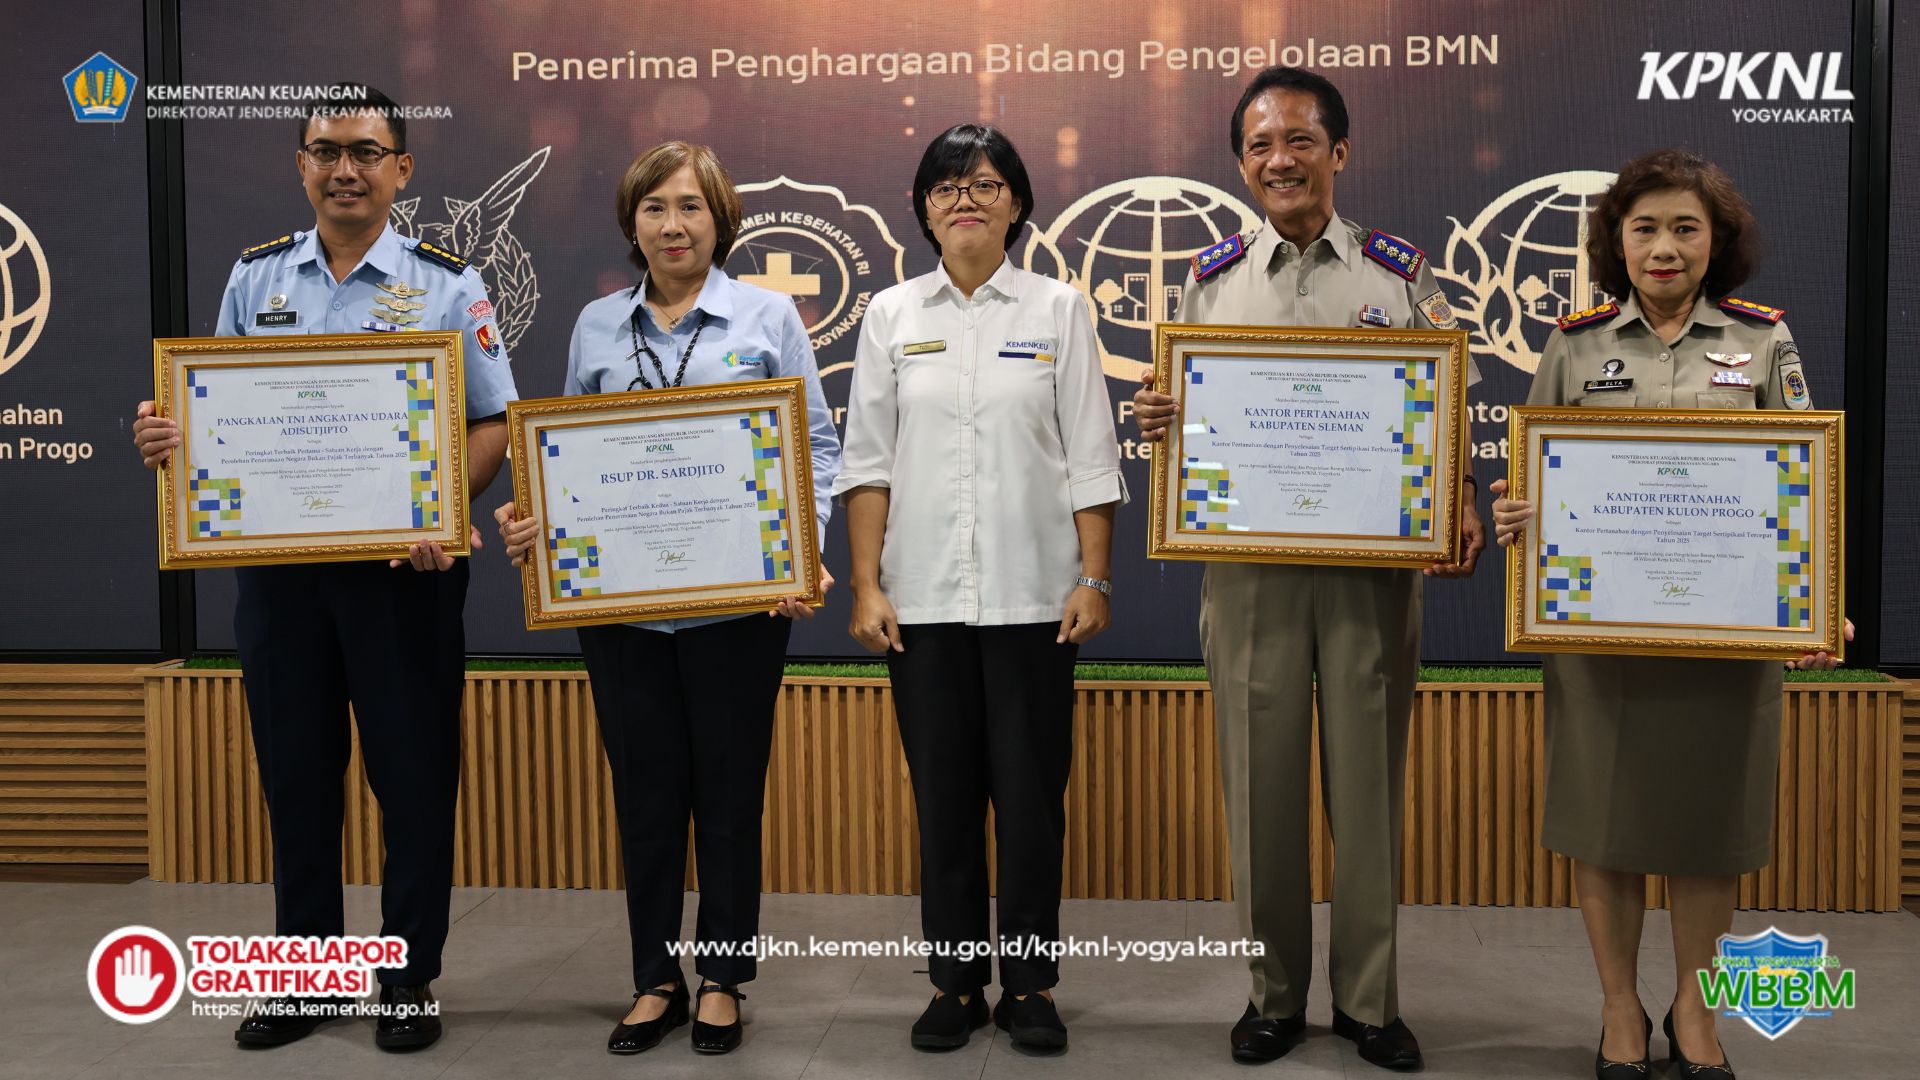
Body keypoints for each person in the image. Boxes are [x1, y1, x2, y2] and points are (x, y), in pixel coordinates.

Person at [131, 84, 518, 1051]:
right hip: (282, 580)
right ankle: (305, 978)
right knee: (297, 779)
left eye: (366, 150)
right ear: (300, 164)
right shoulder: (251, 279)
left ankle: (406, 977)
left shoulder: (446, 282)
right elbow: (211, 409)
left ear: (402, 169)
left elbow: (492, 421)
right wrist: (166, 435)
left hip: (405, 573)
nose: (346, 167)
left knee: (413, 778)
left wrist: (441, 509)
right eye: (326, 150)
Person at [1130, 67, 1484, 1070]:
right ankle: (1272, 996)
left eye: (1298, 140)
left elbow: (1449, 399)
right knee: (1261, 791)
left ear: (1339, 152)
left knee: (1369, 791)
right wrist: (1163, 421)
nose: (1277, 159)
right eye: (1258, 145)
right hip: (1249, 573)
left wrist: (1454, 493)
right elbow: (1187, 422)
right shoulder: (1207, 278)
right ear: (1241, 161)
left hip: (1372, 569)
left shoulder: (1398, 275)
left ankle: (1370, 1003)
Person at [1488, 148, 1852, 1080]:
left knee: (1705, 830)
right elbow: (1533, 480)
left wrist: (1819, 606)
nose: (1663, 246)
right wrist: (1516, 512)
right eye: (1644, 227)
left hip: (1724, 642)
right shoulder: (1575, 344)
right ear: (1616, 239)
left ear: (1716, 240)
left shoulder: (1763, 341)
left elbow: (1806, 489)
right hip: (1601, 639)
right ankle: (1619, 1009)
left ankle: (1695, 1012)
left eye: (1685, 227)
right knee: (1601, 828)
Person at [495, 141, 840, 1057]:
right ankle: (655, 976)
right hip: (623, 614)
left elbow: (818, 450)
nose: (673, 225)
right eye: (654, 208)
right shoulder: (596, 326)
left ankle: (722, 977)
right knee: (645, 796)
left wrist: (800, 549)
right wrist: (537, 524)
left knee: (728, 797)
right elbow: (559, 454)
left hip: (739, 609)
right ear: (631, 223)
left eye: (690, 206)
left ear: (720, 218)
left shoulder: (768, 317)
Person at [834, 123, 1124, 1055]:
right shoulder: (890, 317)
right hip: (921, 605)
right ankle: (955, 985)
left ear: (1018, 204)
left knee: (1034, 805)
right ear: (922, 208)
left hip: (1036, 602)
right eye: (948, 186)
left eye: (987, 184)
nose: (967, 198)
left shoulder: (1059, 309)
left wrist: (1094, 576)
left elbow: (1091, 455)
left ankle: (1031, 984)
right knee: (945, 800)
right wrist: (868, 585)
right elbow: (868, 463)